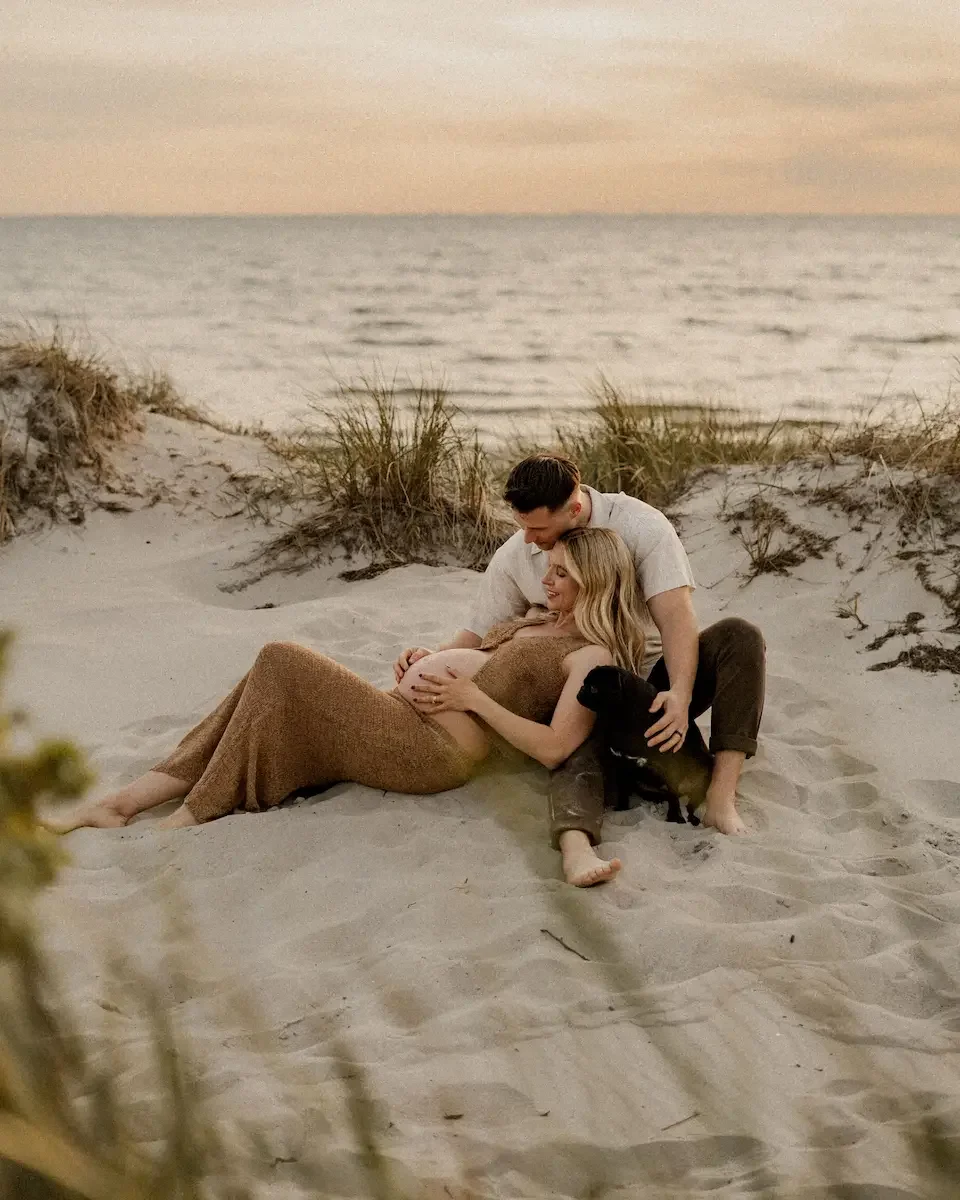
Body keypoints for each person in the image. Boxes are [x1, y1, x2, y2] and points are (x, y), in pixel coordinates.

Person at [47, 528, 649, 885]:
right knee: (261, 689)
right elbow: (479, 668)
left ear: (596, 582)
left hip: (431, 752)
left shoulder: (590, 655)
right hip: (406, 714)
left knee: (283, 659)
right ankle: (122, 803)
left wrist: (467, 695)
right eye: (548, 569)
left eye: (563, 575)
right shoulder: (538, 622)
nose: (547, 582)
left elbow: (555, 747)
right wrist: (428, 660)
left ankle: (190, 814)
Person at [395, 454, 766, 870]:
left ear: (574, 509)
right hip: (585, 689)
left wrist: (679, 693)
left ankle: (722, 796)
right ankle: (578, 846)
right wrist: (435, 654)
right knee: (587, 701)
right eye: (523, 527)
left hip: (651, 683)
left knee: (741, 635)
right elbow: (480, 631)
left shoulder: (642, 527)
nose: (530, 540)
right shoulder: (518, 552)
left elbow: (676, 617)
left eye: (538, 528)